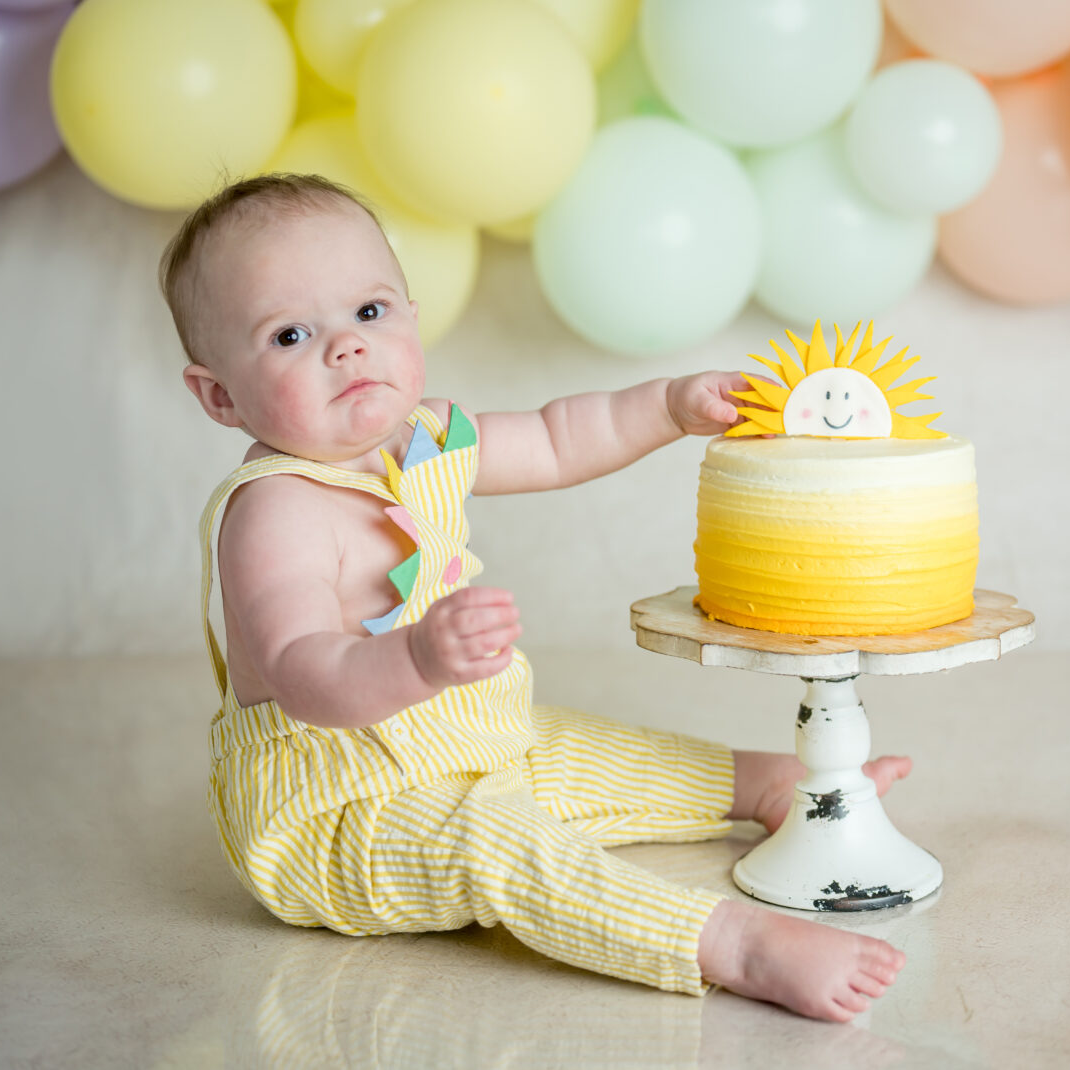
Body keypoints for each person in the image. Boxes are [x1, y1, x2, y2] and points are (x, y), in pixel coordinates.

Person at [162, 173, 911, 1022]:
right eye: (291, 334)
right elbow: (302, 670)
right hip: (343, 814)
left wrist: (665, 408)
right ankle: (732, 943)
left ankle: (770, 784)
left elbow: (560, 438)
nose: (347, 348)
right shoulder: (276, 509)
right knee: (503, 841)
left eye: (369, 313)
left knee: (579, 747)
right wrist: (415, 656)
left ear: (409, 313)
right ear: (220, 393)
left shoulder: (425, 437)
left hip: (467, 740)